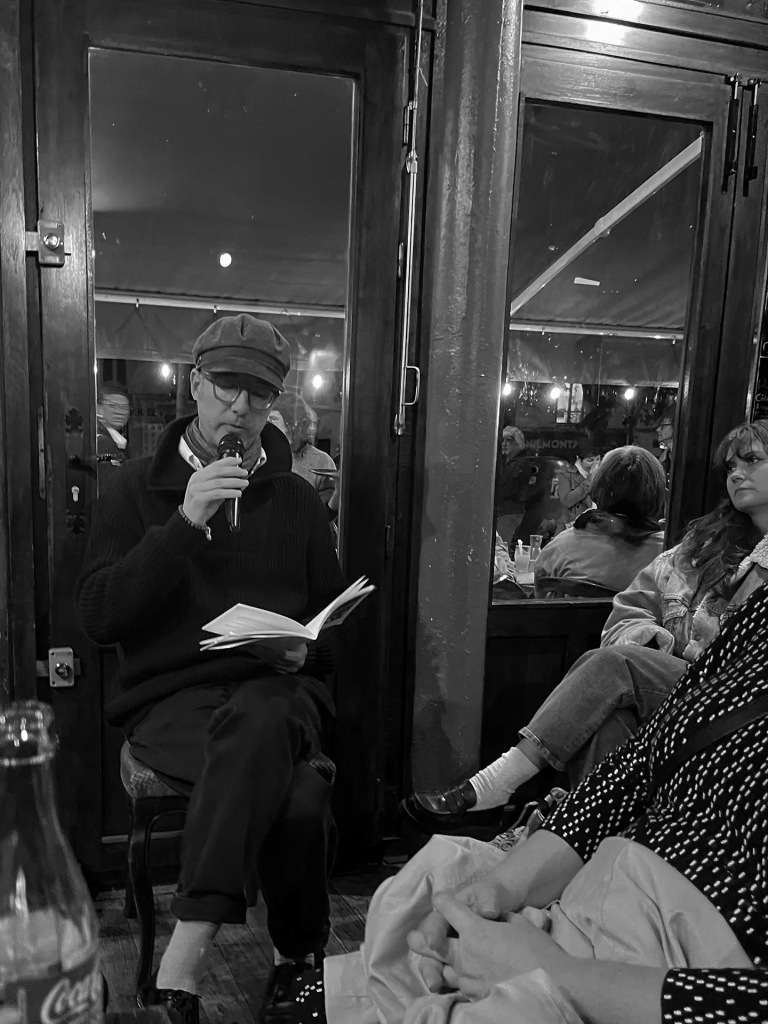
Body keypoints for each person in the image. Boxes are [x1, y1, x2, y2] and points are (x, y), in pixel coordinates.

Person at [305, 582, 768, 1024]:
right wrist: (500, 888)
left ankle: (499, 788)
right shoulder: (756, 609)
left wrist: (561, 975)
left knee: (612, 667)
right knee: (413, 910)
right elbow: (637, 764)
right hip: (602, 895)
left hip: (669, 969)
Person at [76, 314, 348, 1024]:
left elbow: (332, 631)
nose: (241, 409)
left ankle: (183, 960)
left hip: (279, 688)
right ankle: (298, 961)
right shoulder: (133, 490)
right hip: (173, 702)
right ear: (196, 383)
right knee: (299, 795)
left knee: (267, 710)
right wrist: (184, 525)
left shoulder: (297, 499)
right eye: (227, 388)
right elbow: (100, 617)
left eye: (260, 395)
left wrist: (306, 649)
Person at [404, 419, 768, 822]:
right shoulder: (698, 546)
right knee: (608, 719)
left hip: (738, 701)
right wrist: (650, 642)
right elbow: (631, 607)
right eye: (731, 466)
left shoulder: (568, 544)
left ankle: (501, 783)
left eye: (752, 460)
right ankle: (598, 835)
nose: (737, 473)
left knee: (612, 663)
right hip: (677, 689)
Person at [534, 445, 665, 596]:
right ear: (658, 494)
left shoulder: (558, 548)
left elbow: (539, 602)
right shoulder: (669, 555)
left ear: (598, 487)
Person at [268, 392, 337, 507]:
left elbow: (326, 512)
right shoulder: (262, 456)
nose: (267, 425)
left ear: (292, 424)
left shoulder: (321, 461)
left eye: (273, 419)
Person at [495, 426, 536, 545]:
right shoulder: (503, 461)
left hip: (510, 512)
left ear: (517, 443)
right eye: (502, 440)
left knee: (501, 546)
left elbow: (511, 489)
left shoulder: (522, 463)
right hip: (503, 511)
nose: (504, 444)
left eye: (508, 440)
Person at [554, 439, 602, 532]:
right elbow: (566, 501)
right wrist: (589, 479)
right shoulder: (565, 474)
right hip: (571, 527)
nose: (595, 464)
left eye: (597, 459)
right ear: (578, 459)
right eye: (590, 460)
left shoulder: (602, 474)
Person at [96, 381, 131, 464]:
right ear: (98, 408)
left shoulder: (117, 440)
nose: (120, 412)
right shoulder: (102, 442)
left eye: (125, 407)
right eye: (113, 406)